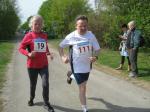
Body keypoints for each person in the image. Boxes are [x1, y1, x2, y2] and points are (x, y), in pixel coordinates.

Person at [59, 15, 100, 112]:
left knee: (83, 84)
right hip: (76, 66)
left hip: (87, 66)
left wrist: (95, 57)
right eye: (81, 25)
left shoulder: (91, 35)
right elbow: (60, 47)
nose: (83, 28)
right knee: (82, 87)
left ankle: (70, 75)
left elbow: (97, 49)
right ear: (76, 26)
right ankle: (84, 108)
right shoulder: (71, 36)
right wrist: (63, 57)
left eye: (85, 25)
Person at [18, 15, 55, 112]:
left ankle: (46, 103)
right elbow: (21, 48)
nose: (38, 26)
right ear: (32, 25)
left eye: (40, 24)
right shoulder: (28, 36)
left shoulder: (44, 35)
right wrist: (29, 53)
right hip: (32, 66)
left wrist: (48, 53)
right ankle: (31, 98)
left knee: (45, 84)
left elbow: (45, 46)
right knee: (33, 85)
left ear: (42, 25)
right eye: (35, 24)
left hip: (43, 65)